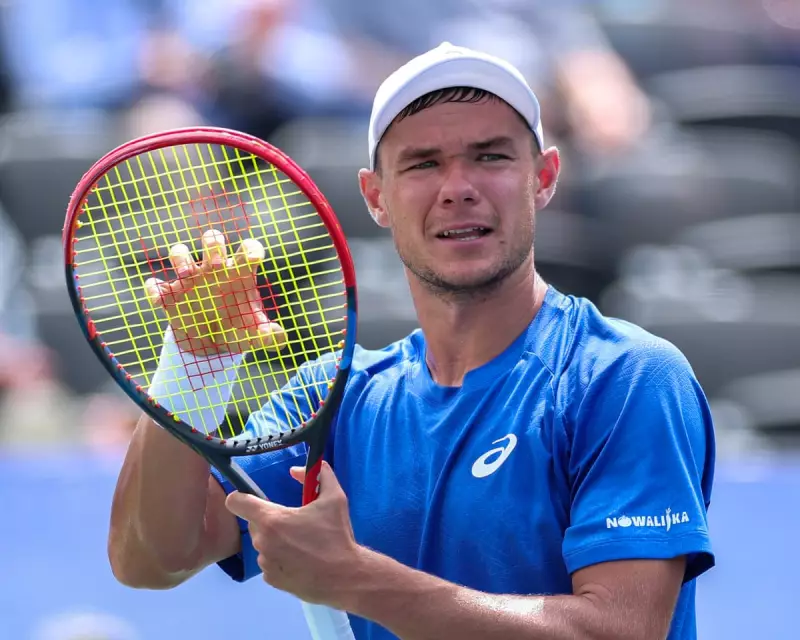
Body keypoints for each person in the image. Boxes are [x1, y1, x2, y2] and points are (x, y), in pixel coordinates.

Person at [108, 42, 716, 639]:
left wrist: (356, 580)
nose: (457, 187)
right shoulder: (333, 397)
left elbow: (619, 632)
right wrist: (195, 366)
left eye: (491, 157)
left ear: (544, 178)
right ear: (377, 197)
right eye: (423, 163)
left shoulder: (626, 377)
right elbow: (150, 559)